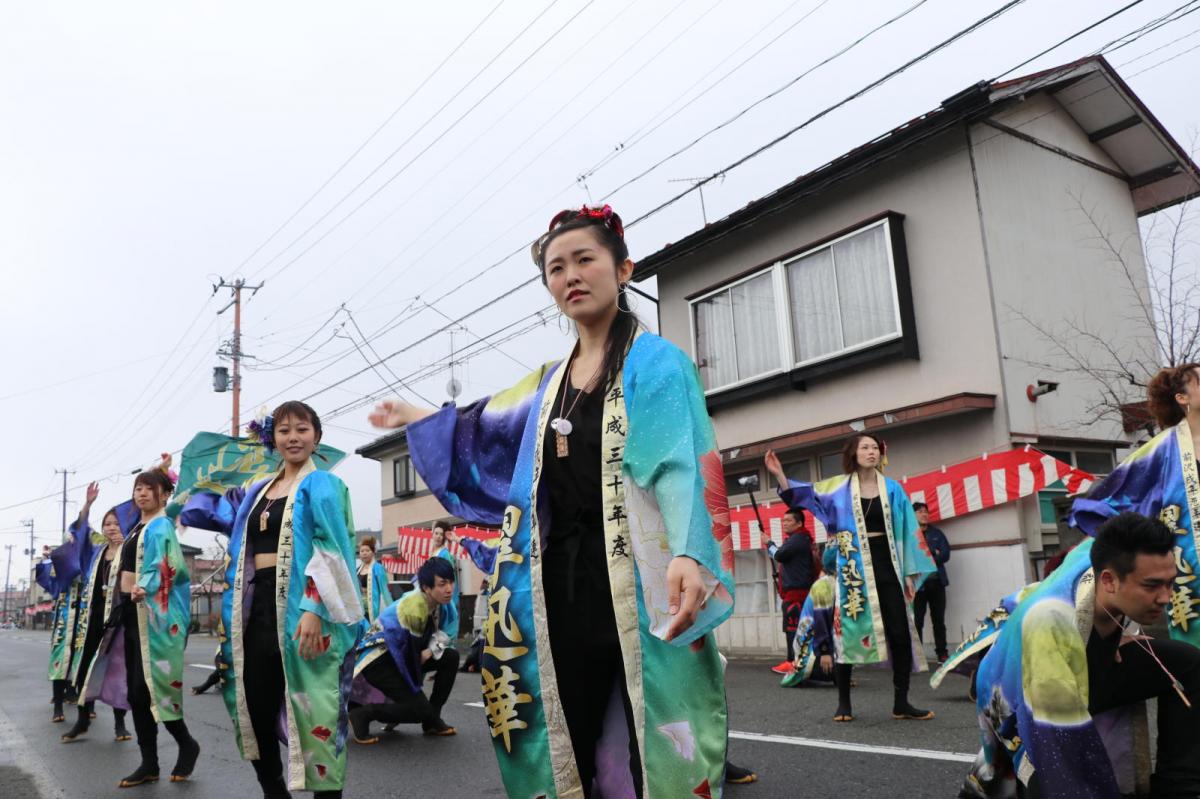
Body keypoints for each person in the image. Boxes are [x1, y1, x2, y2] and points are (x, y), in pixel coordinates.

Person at [368, 204, 735, 798]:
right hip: (550, 581)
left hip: (633, 577)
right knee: (569, 718)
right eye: (556, 268)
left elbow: (682, 462)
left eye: (585, 259)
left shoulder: (657, 363)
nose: (571, 276)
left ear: (623, 269)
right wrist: (417, 417)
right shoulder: (545, 383)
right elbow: (484, 427)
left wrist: (690, 552)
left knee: (650, 726)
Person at [180, 401, 362, 799]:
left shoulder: (324, 485)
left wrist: (314, 608)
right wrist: (185, 496)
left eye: (302, 429)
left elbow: (332, 546)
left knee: (318, 709)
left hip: (304, 609)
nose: (293, 437)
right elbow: (223, 514)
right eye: (284, 430)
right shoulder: (259, 489)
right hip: (255, 609)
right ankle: (273, 791)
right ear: (272, 439)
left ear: (317, 436)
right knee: (254, 706)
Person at [961, 512, 1200, 798]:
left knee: (1187, 663)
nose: (1165, 597)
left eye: (1169, 583)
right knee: (1058, 765)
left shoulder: (1101, 552)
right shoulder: (1049, 625)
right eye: (1151, 586)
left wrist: (1115, 638)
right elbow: (1058, 750)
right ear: (1109, 581)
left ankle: (1179, 789)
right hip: (1023, 691)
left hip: (1085, 659)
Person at [765, 436, 936, 723]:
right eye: (864, 448)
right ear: (853, 454)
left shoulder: (893, 489)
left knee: (899, 634)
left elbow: (909, 532)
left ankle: (901, 701)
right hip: (853, 571)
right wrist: (780, 475)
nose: (871, 452)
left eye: (874, 448)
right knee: (847, 633)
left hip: (888, 566)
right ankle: (844, 702)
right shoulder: (839, 488)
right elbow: (805, 495)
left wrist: (910, 571)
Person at [79, 460, 199, 788]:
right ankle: (150, 763)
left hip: (156, 619)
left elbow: (170, 564)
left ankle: (186, 744)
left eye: (150, 488)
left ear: (163, 495)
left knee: (155, 689)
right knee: (136, 692)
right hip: (132, 617)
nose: (142, 493)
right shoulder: (137, 527)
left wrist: (147, 583)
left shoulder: (161, 526)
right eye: (138, 488)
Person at [1070, 363, 1200, 648]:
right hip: (1187, 579)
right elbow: (1108, 499)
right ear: (1182, 398)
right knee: (1191, 665)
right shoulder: (1163, 449)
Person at [349, 557, 460, 741]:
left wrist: (430, 651)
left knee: (451, 657)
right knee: (419, 709)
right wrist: (410, 696)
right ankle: (363, 714)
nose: (449, 589)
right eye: (442, 584)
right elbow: (408, 659)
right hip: (379, 659)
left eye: (451, 582)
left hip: (405, 654)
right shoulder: (413, 607)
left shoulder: (444, 605)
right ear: (426, 587)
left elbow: (447, 633)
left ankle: (433, 719)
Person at [61, 484, 133, 743]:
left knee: (116, 671)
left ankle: (120, 724)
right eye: (108, 524)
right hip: (92, 620)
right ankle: (82, 721)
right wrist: (88, 505)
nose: (111, 528)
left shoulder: (131, 551)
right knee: (83, 670)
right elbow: (80, 534)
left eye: (116, 523)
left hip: (119, 621)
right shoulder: (96, 552)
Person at [760, 508, 815, 674]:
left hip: (797, 593)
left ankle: (793, 661)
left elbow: (779, 555)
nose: (785, 524)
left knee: (792, 627)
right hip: (799, 592)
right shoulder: (800, 539)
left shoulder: (797, 539)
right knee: (797, 627)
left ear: (799, 523)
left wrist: (769, 542)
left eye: (789, 521)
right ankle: (798, 660)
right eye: (783, 521)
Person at [781, 545, 839, 688]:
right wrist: (825, 652)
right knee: (837, 670)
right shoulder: (823, 585)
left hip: (822, 639)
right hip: (813, 645)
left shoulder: (834, 582)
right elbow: (821, 621)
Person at [911, 502, 950, 663]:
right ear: (913, 515)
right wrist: (933, 554)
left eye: (926, 512)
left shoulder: (937, 533)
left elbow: (945, 555)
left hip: (937, 583)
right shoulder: (910, 535)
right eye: (920, 512)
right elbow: (910, 557)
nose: (924, 514)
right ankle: (918, 655)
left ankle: (942, 652)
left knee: (938, 620)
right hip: (918, 585)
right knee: (917, 621)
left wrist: (928, 556)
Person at [429, 521, 461, 641]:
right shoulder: (433, 553)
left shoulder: (445, 554)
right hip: (433, 595)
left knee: (442, 629)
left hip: (442, 597)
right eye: (436, 533)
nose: (438, 536)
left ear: (444, 537)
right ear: (432, 535)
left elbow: (449, 578)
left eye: (441, 534)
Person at [357, 537, 390, 623]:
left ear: (373, 552)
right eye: (362, 551)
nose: (364, 553)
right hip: (359, 611)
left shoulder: (378, 568)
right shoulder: (357, 570)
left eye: (367, 551)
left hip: (373, 609)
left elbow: (385, 591)